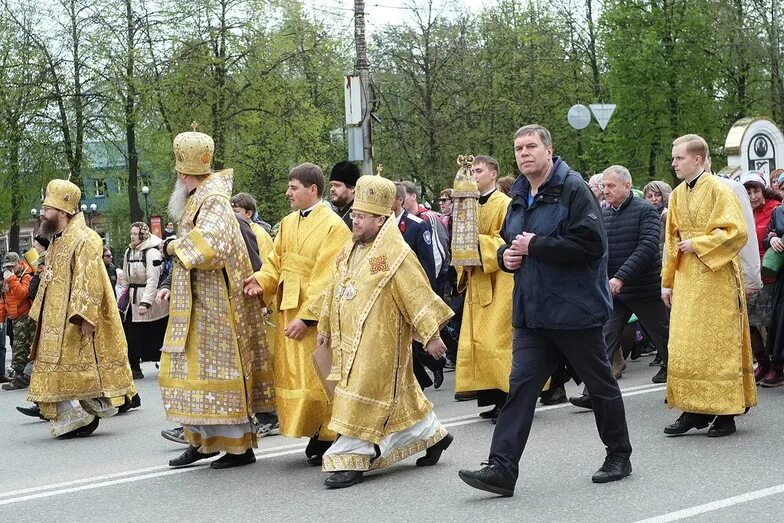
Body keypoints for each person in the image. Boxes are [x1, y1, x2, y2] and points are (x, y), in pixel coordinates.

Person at [459, 125, 632, 497]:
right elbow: (510, 244)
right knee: (519, 389)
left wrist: (537, 245)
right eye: (518, 148)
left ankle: (619, 453)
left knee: (599, 384)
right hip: (532, 314)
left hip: (574, 310)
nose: (524, 153)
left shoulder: (573, 189)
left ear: (549, 150)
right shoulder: (518, 194)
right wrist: (506, 257)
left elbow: (591, 244)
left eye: (531, 146)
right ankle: (501, 468)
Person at [317, 174, 454, 488]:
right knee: (398, 396)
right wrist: (324, 325)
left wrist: (432, 336)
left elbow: (417, 292)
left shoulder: (396, 254)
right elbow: (332, 289)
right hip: (347, 339)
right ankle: (433, 437)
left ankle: (353, 458)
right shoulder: (349, 249)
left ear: (381, 220)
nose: (356, 222)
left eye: (362, 218)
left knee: (361, 396)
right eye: (355, 216)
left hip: (382, 342)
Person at [158, 126, 274, 469]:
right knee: (187, 372)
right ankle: (200, 440)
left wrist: (172, 246)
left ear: (184, 172)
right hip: (193, 303)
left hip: (217, 305)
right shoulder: (198, 197)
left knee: (218, 373)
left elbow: (211, 246)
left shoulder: (215, 199)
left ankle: (238, 446)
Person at [244, 163, 351, 465]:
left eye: (293, 187)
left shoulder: (333, 225)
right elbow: (274, 261)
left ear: (312, 190)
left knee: (319, 372)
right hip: (285, 306)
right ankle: (314, 430)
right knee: (295, 373)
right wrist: (260, 280)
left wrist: (307, 317)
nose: (288, 193)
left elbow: (328, 276)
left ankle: (330, 433)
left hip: (313, 316)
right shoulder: (288, 222)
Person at [661, 134, 756, 437]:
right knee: (686, 345)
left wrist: (700, 242)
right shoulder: (676, 194)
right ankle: (693, 410)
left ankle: (726, 414)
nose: (674, 163)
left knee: (718, 345)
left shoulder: (720, 189)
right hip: (687, 278)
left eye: (679, 158)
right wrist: (667, 282)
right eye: (674, 158)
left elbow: (736, 231)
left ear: (698, 159)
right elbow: (670, 241)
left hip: (717, 278)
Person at [26, 179, 135, 438]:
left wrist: (85, 315)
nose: (42, 213)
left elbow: (88, 279)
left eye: (47, 208)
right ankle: (77, 409)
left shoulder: (86, 238)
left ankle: (87, 406)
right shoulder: (57, 238)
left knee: (79, 362)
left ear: (63, 212)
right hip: (54, 315)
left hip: (74, 317)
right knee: (57, 364)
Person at [569, 166, 670, 411]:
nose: (605, 190)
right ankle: (595, 393)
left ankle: (685, 388)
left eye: (611, 186)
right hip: (615, 291)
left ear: (627, 185)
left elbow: (647, 248)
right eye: (603, 186)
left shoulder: (645, 211)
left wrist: (621, 277)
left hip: (644, 290)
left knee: (666, 341)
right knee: (603, 340)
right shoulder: (603, 214)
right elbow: (600, 252)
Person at [454, 155, 513, 423]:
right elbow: (459, 240)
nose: (474, 176)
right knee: (478, 341)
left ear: (493, 174)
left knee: (496, 340)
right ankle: (492, 398)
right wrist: (463, 258)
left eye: (478, 171)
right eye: (471, 171)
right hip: (476, 277)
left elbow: (506, 239)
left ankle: (509, 398)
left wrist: (474, 244)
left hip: (499, 279)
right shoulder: (468, 204)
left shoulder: (505, 203)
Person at [392, 182, 444, 389]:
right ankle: (420, 380)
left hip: (413, 291)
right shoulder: (380, 226)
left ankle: (435, 363)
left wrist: (427, 294)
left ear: (399, 200)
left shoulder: (416, 225)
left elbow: (427, 264)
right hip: (393, 294)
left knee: (414, 340)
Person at [739, 172, 780, 385]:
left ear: (764, 191)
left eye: (756, 191)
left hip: (770, 274)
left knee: (770, 324)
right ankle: (762, 363)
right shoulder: (743, 211)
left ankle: (777, 366)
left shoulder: (775, 208)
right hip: (748, 274)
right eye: (748, 192)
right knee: (751, 323)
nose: (753, 196)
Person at [121, 222, 168, 380]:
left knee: (156, 332)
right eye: (131, 234)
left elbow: (153, 280)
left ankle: (165, 364)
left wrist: (145, 302)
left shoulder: (152, 253)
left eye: (135, 234)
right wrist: (123, 299)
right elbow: (126, 278)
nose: (132, 236)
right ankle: (134, 367)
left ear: (142, 234)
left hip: (150, 300)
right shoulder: (129, 252)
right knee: (130, 334)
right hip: (133, 300)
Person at [0, 252, 35, 391]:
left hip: (25, 317)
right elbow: (5, 299)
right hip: (14, 317)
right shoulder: (10, 278)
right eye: (7, 267)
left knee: (19, 349)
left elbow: (22, 294)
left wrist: (13, 279)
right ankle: (23, 376)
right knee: (21, 348)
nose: (9, 269)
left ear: (19, 263)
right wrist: (1, 319)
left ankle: (20, 378)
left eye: (12, 266)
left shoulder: (26, 276)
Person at [231, 192, 274, 260]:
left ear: (248, 214)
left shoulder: (261, 234)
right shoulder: (234, 232)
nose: (232, 215)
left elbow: (266, 264)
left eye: (236, 211)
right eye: (230, 211)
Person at [329, 161, 360, 229]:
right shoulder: (336, 213)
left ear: (352, 189)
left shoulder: (358, 219)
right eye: (331, 185)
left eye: (337, 185)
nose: (332, 189)